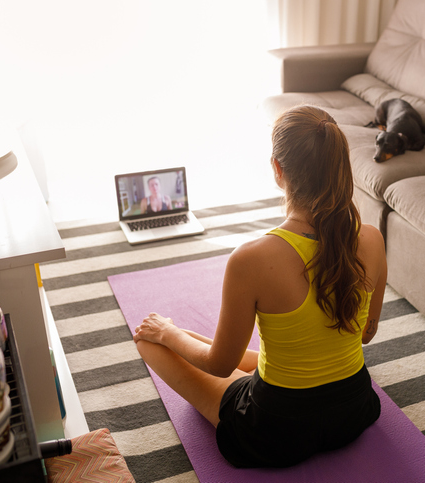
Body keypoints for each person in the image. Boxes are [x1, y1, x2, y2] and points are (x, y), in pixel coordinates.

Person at [133, 105, 388, 468]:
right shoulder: (373, 239)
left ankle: (169, 334)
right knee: (194, 339)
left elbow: (220, 365)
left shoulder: (251, 259)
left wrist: (168, 335)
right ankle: (178, 334)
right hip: (355, 410)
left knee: (149, 339)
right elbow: (364, 335)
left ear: (278, 169)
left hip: (274, 431)